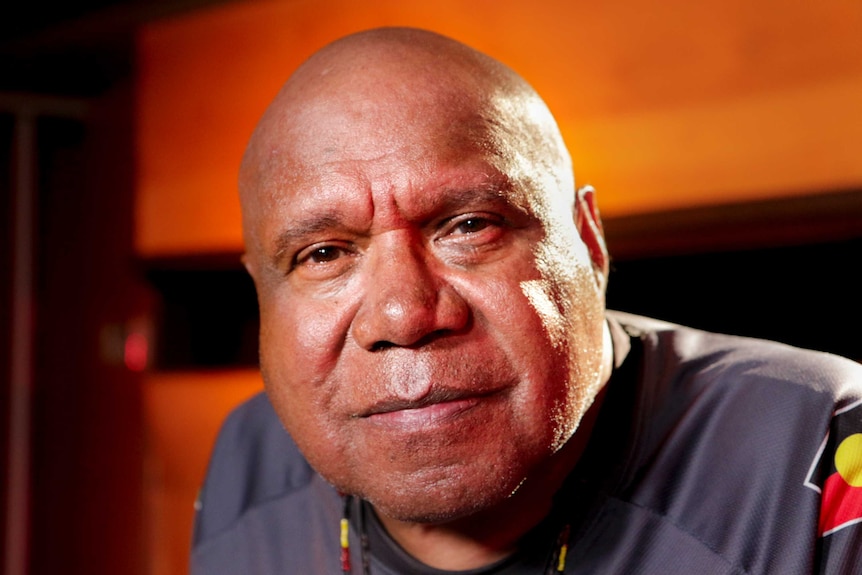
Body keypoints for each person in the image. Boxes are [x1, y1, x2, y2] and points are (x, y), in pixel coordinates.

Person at [190, 27, 862, 574]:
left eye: (469, 226)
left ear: (589, 242)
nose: (404, 315)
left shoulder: (817, 448)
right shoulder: (248, 462)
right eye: (324, 254)